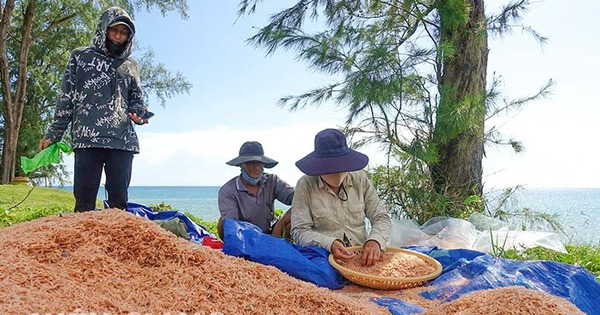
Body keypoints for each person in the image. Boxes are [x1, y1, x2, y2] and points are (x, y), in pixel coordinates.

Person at [39, 7, 148, 212]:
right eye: (114, 30)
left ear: (129, 36)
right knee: (84, 203)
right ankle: (81, 244)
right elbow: (66, 98)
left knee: (119, 204)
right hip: (88, 140)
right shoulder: (80, 57)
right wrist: (54, 134)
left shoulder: (131, 65)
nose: (118, 36)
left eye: (123, 32)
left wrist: (139, 114)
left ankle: (116, 243)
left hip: (122, 142)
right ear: (103, 29)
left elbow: (136, 98)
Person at [291, 128, 391, 266]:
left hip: (361, 254)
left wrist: (375, 241)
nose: (336, 172)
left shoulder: (360, 180)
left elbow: (381, 216)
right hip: (324, 256)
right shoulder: (305, 185)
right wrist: (329, 243)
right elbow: (299, 231)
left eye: (340, 166)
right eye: (330, 168)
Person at [217, 141, 295, 240]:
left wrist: (280, 225)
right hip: (244, 236)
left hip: (272, 233)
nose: (256, 167)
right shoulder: (228, 191)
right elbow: (232, 225)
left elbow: (298, 200)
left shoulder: (272, 181)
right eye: (251, 162)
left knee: (294, 218)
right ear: (241, 165)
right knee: (223, 223)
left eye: (259, 162)